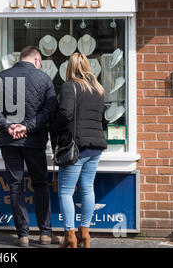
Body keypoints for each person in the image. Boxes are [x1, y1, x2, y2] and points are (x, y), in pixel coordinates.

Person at [0, 45, 60, 247]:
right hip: (34, 141)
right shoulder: (44, 78)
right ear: (37, 60)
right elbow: (49, 110)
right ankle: (45, 233)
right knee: (40, 185)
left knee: (16, 186)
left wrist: (8, 126)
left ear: (20, 58)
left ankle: (23, 235)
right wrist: (28, 127)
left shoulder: (1, 77)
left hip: (10, 142)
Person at [50, 52, 107, 248]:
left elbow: (65, 113)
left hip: (76, 148)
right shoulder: (98, 88)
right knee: (87, 189)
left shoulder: (69, 86)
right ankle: (85, 234)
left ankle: (70, 236)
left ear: (70, 67)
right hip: (96, 147)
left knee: (65, 192)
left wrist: (54, 128)